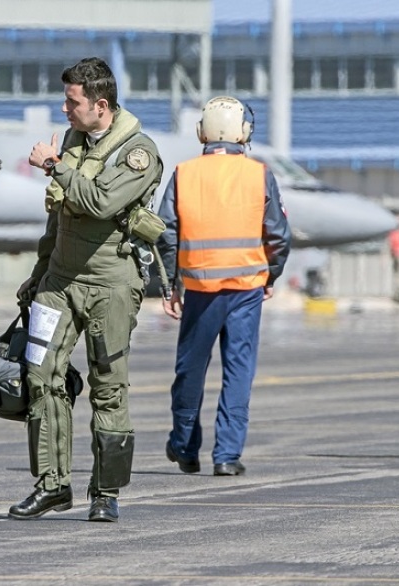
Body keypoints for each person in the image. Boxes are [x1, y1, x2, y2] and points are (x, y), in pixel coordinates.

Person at [10, 57, 163, 523]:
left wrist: (54, 165)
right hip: (60, 281)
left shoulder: (138, 153)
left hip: (109, 287)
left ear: (101, 105)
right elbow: (58, 219)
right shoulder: (76, 141)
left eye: (71, 102)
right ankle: (52, 485)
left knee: (108, 389)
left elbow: (98, 202)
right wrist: (38, 276)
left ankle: (106, 493)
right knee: (39, 375)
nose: (64, 110)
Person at [156, 96, 291, 477]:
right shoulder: (259, 173)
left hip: (199, 287)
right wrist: (271, 275)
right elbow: (279, 235)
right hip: (247, 288)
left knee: (190, 371)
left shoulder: (185, 173)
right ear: (244, 133)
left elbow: (166, 232)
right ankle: (227, 456)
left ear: (201, 132)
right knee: (238, 371)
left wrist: (171, 284)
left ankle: (184, 446)